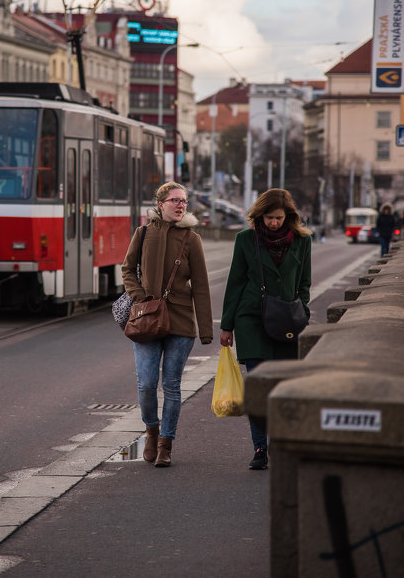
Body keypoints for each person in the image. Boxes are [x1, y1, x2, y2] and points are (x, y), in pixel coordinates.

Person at [122, 181, 213, 467]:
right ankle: (151, 429)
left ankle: (166, 444)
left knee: (172, 386)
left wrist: (207, 329)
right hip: (147, 319)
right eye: (174, 200)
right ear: (160, 204)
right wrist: (139, 297)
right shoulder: (144, 232)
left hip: (180, 321)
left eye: (184, 201)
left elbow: (200, 284)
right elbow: (127, 269)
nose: (180, 205)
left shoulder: (192, 239)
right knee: (147, 384)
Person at [220, 188, 311, 471]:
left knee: (283, 386)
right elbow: (235, 282)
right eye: (269, 217)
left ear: (289, 217)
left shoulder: (302, 241)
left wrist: (302, 311)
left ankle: (280, 442)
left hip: (286, 320)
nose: (274, 223)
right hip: (252, 319)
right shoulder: (246, 240)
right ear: (260, 214)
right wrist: (227, 326)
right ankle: (260, 449)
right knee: (258, 386)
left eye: (279, 218)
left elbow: (305, 283)